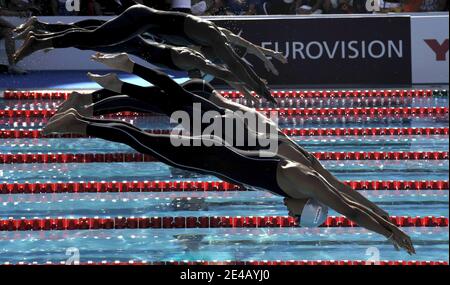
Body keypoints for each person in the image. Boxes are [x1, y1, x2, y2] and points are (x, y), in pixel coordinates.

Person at [45, 53, 415, 255]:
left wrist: (386, 220)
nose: (288, 214)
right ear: (309, 204)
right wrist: (388, 234)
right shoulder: (299, 179)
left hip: (222, 138)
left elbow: (344, 195)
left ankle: (117, 84)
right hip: (209, 150)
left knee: (171, 103)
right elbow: (346, 207)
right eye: (296, 216)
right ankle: (85, 113)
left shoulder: (305, 172)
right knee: (150, 134)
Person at [13, 4, 280, 103]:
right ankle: (38, 39)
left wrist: (255, 83)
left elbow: (235, 60)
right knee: (96, 37)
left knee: (94, 37)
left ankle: (42, 29)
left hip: (140, 26)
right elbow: (230, 68)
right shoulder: (206, 44)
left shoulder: (209, 38)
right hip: (141, 20)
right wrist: (258, 88)